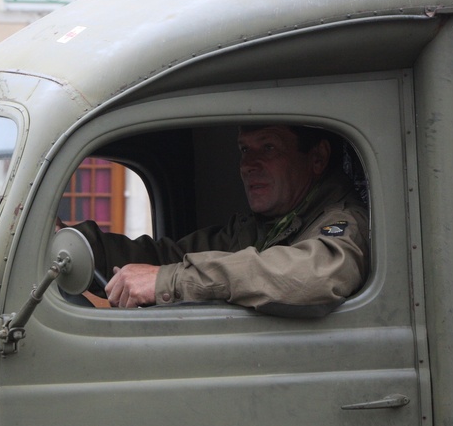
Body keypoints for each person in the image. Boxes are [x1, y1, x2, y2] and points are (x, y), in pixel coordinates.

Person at [67, 125, 369, 316]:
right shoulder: (259, 228)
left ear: (317, 158)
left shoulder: (342, 221)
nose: (248, 165)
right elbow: (168, 256)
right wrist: (88, 249)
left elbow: (314, 276)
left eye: (268, 147)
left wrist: (169, 280)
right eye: (244, 150)